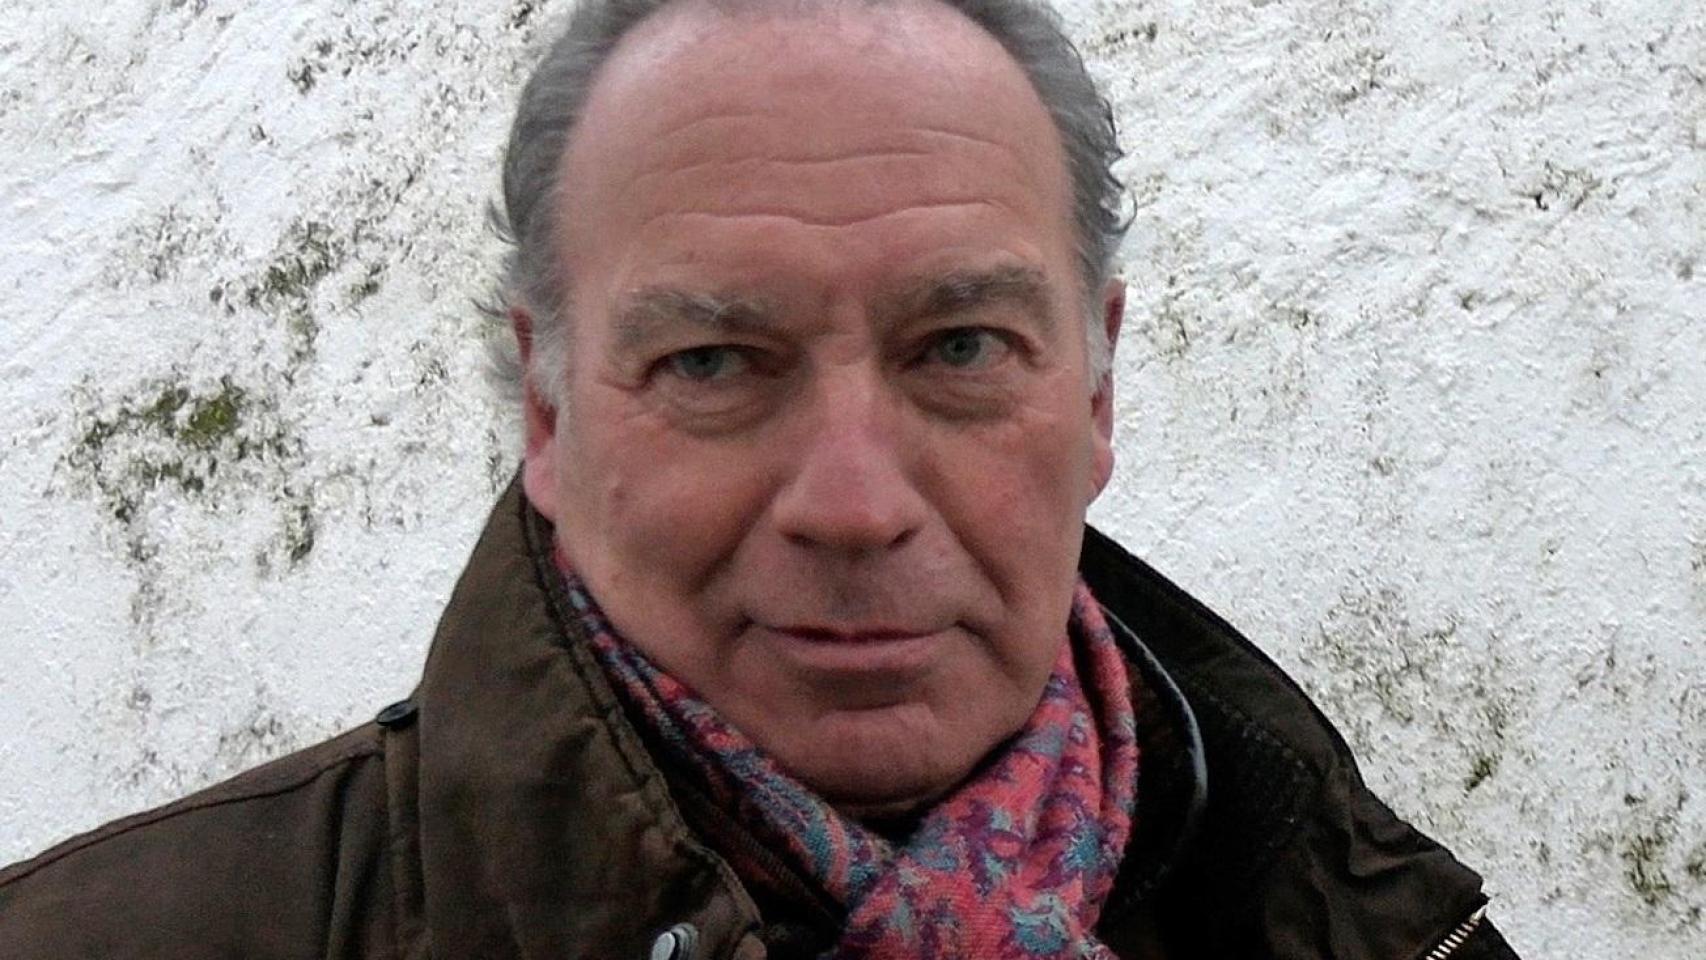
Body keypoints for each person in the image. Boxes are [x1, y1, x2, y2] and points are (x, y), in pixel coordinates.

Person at [0, 0, 1523, 957]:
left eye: (961, 348)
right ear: (545, 408)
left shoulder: (1355, 911)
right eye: (714, 364)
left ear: (1097, 388)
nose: (853, 508)